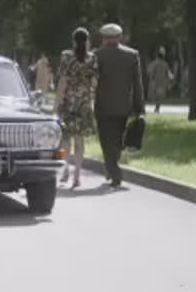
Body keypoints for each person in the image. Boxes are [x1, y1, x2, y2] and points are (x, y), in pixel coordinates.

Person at [93, 22, 145, 188]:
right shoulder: (132, 55)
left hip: (103, 106)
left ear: (103, 37)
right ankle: (112, 167)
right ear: (120, 37)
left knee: (106, 140)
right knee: (117, 139)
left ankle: (114, 171)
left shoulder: (96, 55)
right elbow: (137, 83)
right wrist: (139, 107)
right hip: (124, 106)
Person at [55, 27, 99, 189]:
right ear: (87, 41)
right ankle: (77, 176)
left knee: (66, 139)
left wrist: (56, 103)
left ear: (73, 41)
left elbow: (63, 81)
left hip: (68, 103)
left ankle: (66, 169)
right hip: (84, 104)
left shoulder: (66, 57)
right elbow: (95, 82)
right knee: (79, 140)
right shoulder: (92, 59)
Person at [145, 47, 173, 114]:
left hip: (154, 82)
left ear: (157, 56)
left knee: (154, 96)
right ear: (163, 57)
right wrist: (169, 81)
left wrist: (151, 78)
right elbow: (167, 73)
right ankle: (157, 108)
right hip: (162, 83)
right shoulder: (165, 64)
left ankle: (156, 108)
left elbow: (149, 72)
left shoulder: (154, 63)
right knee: (159, 96)